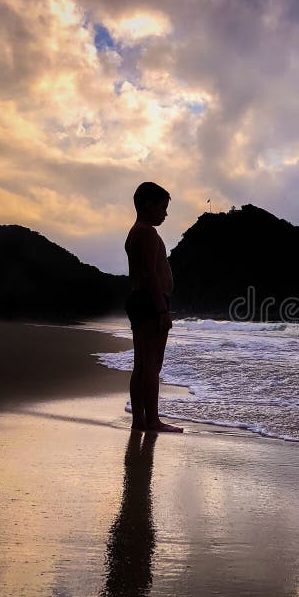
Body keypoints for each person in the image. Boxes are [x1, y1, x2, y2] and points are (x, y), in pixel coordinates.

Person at [124, 181, 183, 432]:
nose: (165, 213)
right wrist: (162, 310)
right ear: (147, 205)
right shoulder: (147, 232)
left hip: (141, 300)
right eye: (162, 207)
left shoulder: (136, 231)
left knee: (142, 364)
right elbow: (150, 275)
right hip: (150, 302)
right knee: (151, 365)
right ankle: (152, 420)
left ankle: (140, 420)